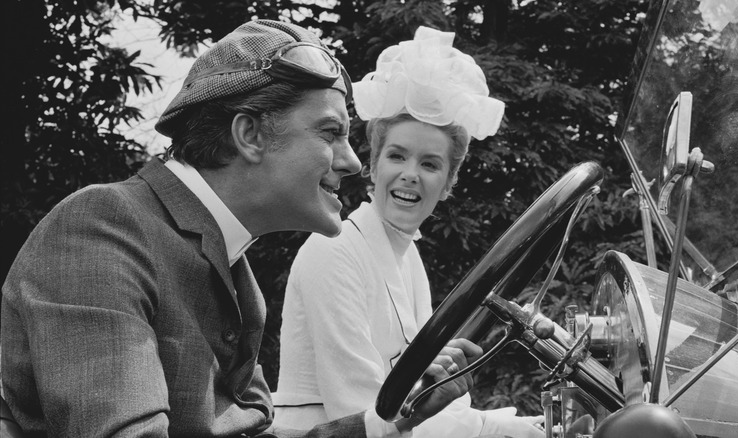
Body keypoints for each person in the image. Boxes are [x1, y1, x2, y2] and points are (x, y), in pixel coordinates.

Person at [0, 20, 481, 437]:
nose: (354, 162)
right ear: (249, 135)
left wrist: (391, 421)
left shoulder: (234, 269)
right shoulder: (104, 228)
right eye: (330, 132)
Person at [273, 27, 544, 437]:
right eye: (397, 156)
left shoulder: (407, 257)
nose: (410, 175)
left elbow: (431, 410)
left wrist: (530, 430)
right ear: (374, 164)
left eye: (430, 164)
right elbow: (368, 415)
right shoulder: (334, 250)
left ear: (448, 181)